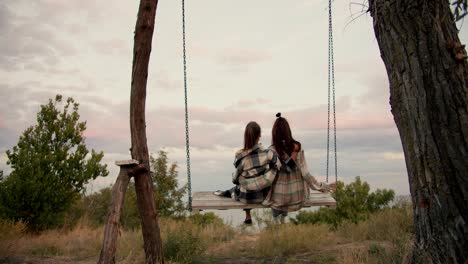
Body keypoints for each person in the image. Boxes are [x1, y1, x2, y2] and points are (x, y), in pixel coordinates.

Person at [239, 113, 335, 223]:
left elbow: (268, 177)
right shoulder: (297, 148)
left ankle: (277, 219)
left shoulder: (271, 151)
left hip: (278, 199)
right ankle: (283, 219)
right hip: (298, 198)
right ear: (288, 131)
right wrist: (323, 187)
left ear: (274, 133)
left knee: (277, 190)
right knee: (287, 189)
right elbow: (306, 174)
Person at [214, 121, 281, 224]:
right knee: (257, 181)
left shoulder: (241, 156)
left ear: (246, 136)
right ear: (259, 135)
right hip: (264, 196)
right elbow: (278, 166)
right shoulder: (268, 153)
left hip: (245, 198)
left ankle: (248, 215)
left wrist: (238, 179)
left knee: (239, 186)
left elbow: (235, 179)